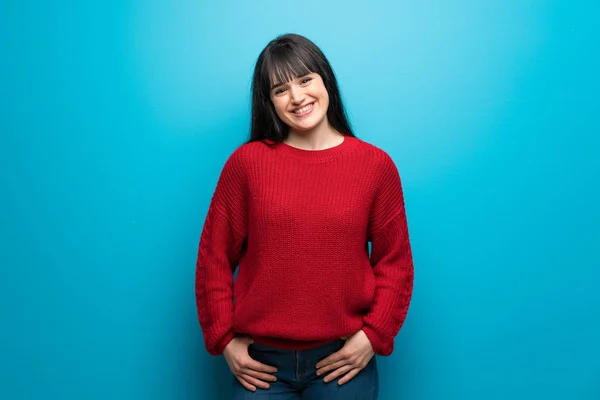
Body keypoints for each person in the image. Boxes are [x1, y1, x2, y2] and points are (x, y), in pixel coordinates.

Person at [195, 33, 414, 399]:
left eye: (305, 80)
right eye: (280, 90)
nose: (297, 98)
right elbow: (213, 258)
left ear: (325, 79)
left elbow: (396, 263)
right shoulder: (247, 165)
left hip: (342, 362)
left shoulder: (375, 166)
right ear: (269, 102)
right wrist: (223, 339)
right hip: (261, 365)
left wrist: (374, 336)